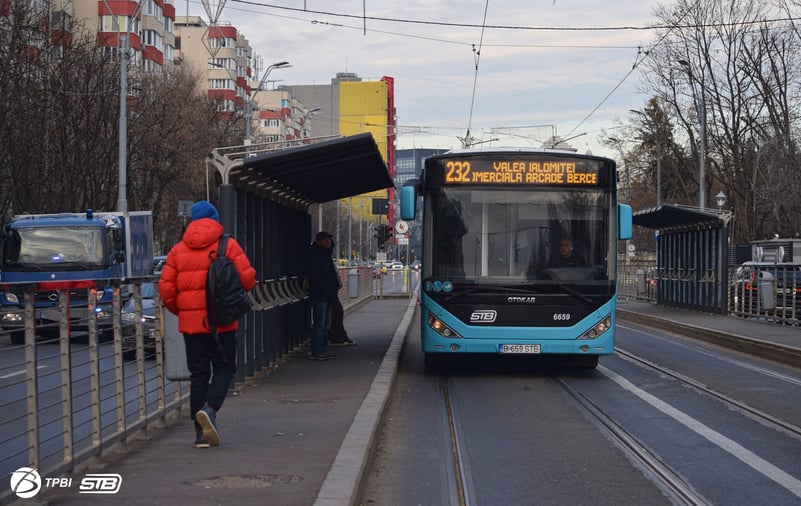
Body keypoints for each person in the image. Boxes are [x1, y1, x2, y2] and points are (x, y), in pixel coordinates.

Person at [159, 200, 257, 449]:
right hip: (222, 322)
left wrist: (183, 312)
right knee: (225, 369)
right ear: (215, 219)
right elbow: (247, 280)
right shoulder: (228, 245)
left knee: (199, 375)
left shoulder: (178, 250)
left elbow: (167, 289)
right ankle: (209, 409)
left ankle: (200, 435)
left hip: (192, 326)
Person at [303, 231, 340, 360]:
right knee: (319, 324)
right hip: (319, 295)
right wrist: (325, 289)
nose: (328, 242)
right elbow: (314, 277)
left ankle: (323, 349)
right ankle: (317, 350)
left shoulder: (326, 255)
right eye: (325, 240)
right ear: (318, 241)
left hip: (328, 295)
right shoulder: (314, 256)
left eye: (329, 240)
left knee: (326, 324)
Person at [328, 240, 356, 346]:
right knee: (335, 313)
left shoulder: (327, 259)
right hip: (326, 292)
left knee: (336, 313)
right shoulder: (324, 259)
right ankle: (335, 337)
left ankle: (339, 336)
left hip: (330, 291)